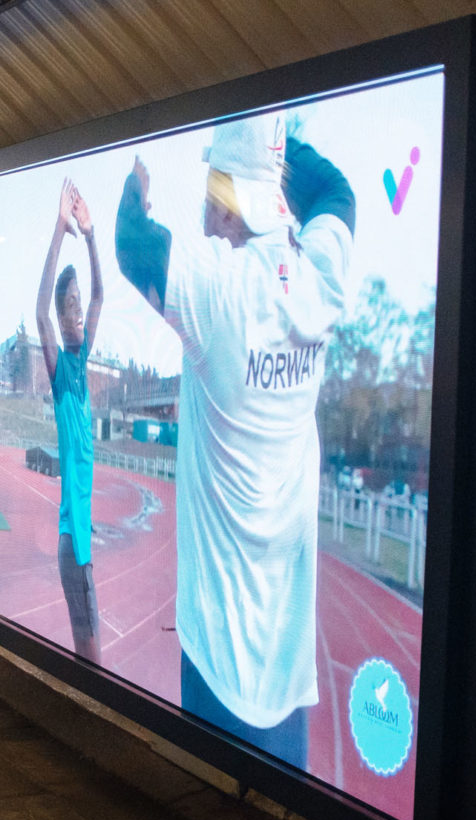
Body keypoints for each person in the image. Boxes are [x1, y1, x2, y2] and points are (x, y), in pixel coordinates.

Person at [114, 113, 355, 768]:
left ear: (227, 207)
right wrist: (274, 143)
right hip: (286, 677)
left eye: (210, 199)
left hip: (219, 660)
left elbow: (132, 240)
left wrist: (133, 186)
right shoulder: (320, 281)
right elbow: (337, 195)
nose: (203, 219)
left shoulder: (221, 289)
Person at [35, 178, 104, 664]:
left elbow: (102, 296)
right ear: (62, 323)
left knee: (90, 656)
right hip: (73, 545)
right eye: (71, 307)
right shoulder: (62, 375)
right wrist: (61, 227)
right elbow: (40, 311)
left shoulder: (81, 368)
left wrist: (93, 234)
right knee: (91, 660)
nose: (78, 312)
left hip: (80, 546)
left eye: (79, 305)